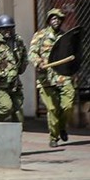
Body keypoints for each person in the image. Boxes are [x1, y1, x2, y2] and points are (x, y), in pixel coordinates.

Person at [29, 9, 76, 147]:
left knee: (68, 105)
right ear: (49, 20)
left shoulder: (65, 37)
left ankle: (62, 127)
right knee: (52, 108)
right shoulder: (40, 35)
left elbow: (73, 55)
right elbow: (32, 53)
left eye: (59, 19)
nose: (56, 21)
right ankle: (54, 137)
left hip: (63, 77)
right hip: (46, 79)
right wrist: (38, 62)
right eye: (54, 18)